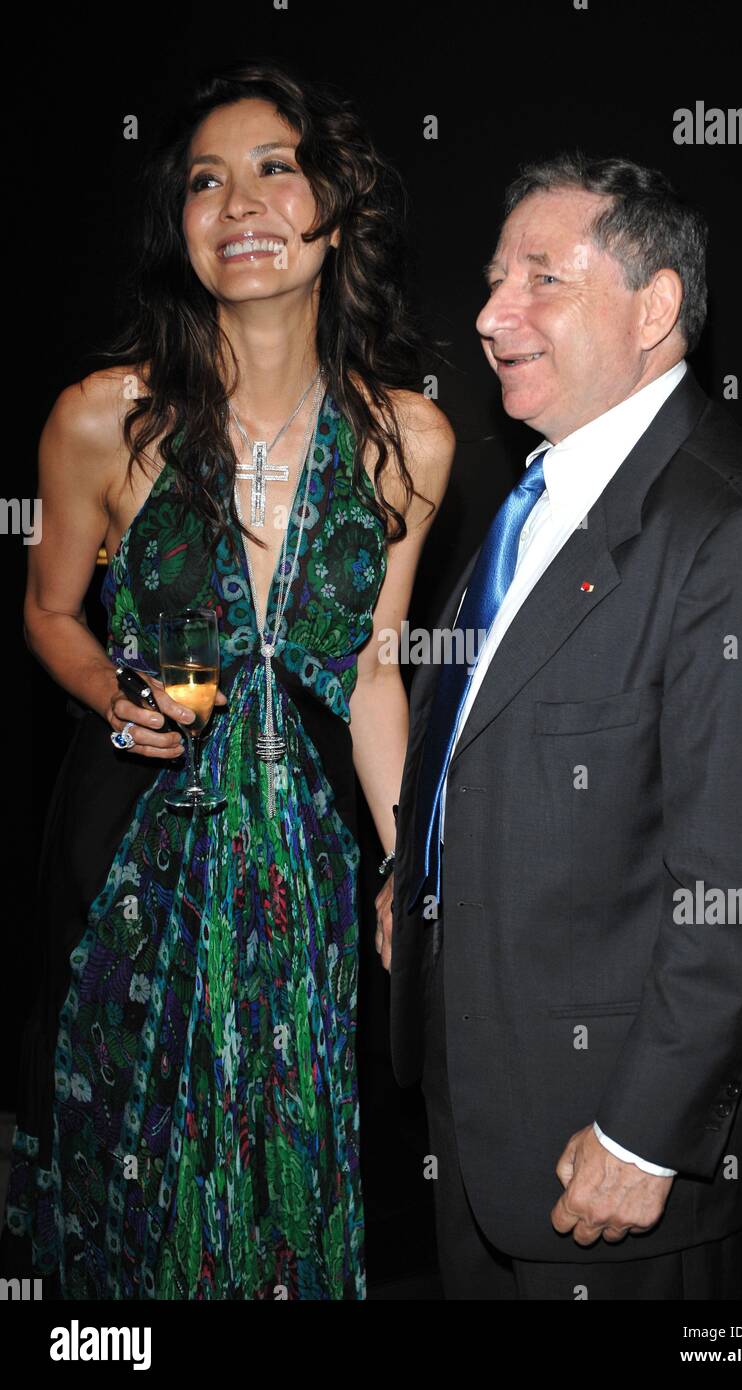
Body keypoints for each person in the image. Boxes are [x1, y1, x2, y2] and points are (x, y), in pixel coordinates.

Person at [0, 59, 453, 1300]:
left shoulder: (408, 437)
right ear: (179, 223)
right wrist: (111, 695)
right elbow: (48, 612)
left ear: (338, 214)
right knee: (129, 1164)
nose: (238, 203)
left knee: (289, 1159)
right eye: (206, 180)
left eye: (274, 169)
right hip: (136, 850)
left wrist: (408, 863)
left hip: (306, 864)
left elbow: (372, 665)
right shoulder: (103, 418)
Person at [378, 152, 742, 1300]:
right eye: (493, 280)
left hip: (608, 1150)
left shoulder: (727, 536)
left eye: (542, 278)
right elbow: (486, 742)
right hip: (487, 1110)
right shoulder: (542, 494)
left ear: (655, 307)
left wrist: (645, 1135)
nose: (490, 314)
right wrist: (415, 860)